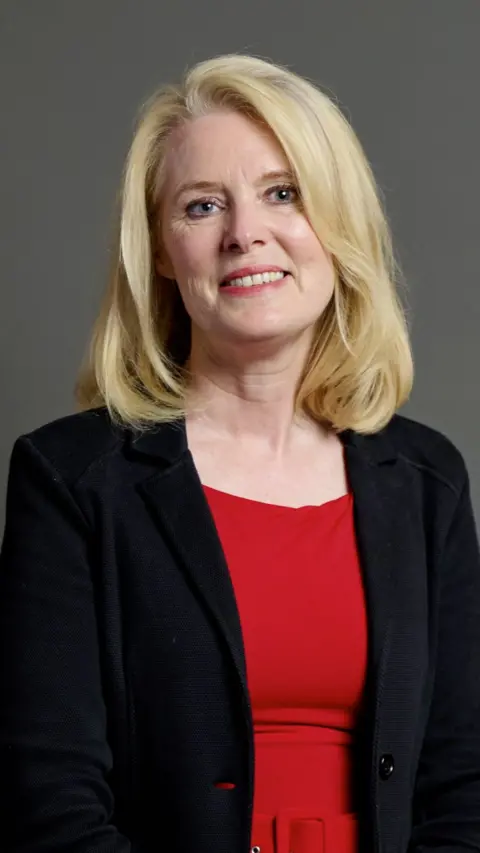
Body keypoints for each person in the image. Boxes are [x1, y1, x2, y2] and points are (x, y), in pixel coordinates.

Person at [0, 52, 479, 853]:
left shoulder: (427, 480)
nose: (245, 233)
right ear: (159, 249)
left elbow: (464, 785)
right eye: (201, 206)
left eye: (283, 194)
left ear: (339, 224)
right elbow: (48, 800)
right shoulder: (72, 480)